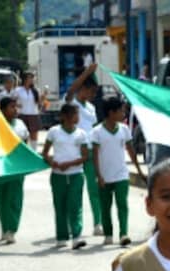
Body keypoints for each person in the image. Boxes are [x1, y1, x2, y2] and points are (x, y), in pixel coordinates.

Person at [92, 96, 144, 247]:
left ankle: (123, 234)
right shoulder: (97, 132)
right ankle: (108, 234)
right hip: (104, 176)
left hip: (121, 174)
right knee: (105, 206)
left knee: (122, 204)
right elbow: (95, 155)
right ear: (111, 112)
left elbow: (130, 150)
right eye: (121, 111)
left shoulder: (124, 129)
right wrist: (98, 175)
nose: (124, 114)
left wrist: (139, 169)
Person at [42, 104, 89, 249]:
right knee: (60, 205)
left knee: (75, 205)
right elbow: (45, 152)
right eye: (75, 114)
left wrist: (70, 163)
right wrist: (53, 162)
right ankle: (61, 237)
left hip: (76, 174)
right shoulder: (54, 132)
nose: (77, 117)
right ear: (65, 116)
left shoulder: (81, 134)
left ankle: (76, 236)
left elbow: (85, 155)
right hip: (58, 176)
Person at [65, 62, 104, 236]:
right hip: (75, 152)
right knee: (75, 191)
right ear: (82, 88)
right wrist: (87, 72)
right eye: (90, 91)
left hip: (90, 152)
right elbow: (71, 89)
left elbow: (95, 128)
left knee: (94, 189)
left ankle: (98, 223)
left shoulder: (91, 107)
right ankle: (73, 223)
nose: (92, 95)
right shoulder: (73, 102)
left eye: (94, 92)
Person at [0, 96, 30, 244]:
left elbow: (26, 142)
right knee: (2, 197)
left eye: (16, 107)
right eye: (11, 107)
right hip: (0, 166)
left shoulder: (20, 124)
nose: (15, 110)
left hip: (16, 167)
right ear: (2, 110)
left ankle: (12, 229)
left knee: (15, 198)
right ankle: (4, 227)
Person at [16, 72, 42, 151]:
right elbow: (12, 101)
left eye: (32, 78)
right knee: (22, 136)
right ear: (24, 79)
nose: (31, 80)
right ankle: (23, 152)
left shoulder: (36, 90)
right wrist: (17, 105)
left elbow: (39, 103)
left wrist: (43, 98)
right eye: (29, 78)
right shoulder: (18, 90)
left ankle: (34, 152)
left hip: (33, 114)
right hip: (22, 114)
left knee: (34, 136)